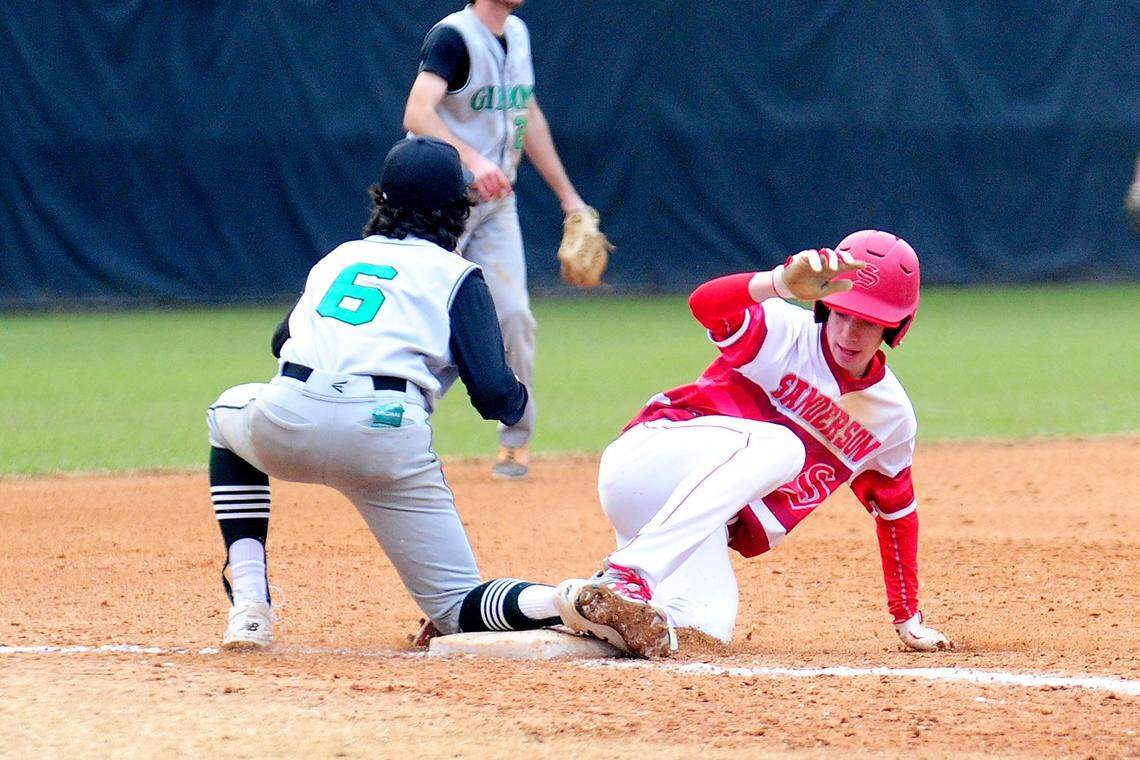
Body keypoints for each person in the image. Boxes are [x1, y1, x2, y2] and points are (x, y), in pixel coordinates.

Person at [205, 136, 564, 649]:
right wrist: (517, 400)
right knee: (457, 607)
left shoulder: (340, 257)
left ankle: (250, 608)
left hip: (288, 419)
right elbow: (493, 397)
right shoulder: (457, 275)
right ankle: (565, 599)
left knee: (225, 416)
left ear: (381, 202)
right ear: (458, 209)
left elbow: (280, 341)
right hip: (384, 434)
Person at [553, 231, 954, 658]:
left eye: (869, 322)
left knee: (699, 630)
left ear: (895, 326)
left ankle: (560, 605)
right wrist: (778, 284)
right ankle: (626, 573)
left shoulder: (890, 416)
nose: (850, 334)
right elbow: (703, 305)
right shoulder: (783, 330)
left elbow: (895, 512)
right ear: (824, 304)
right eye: (842, 314)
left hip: (689, 524)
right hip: (648, 461)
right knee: (785, 447)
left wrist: (907, 618)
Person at [403, 0, 595, 480]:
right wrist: (472, 159)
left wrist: (569, 197)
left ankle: (515, 440)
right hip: (433, 199)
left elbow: (526, 115)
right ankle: (393, 432)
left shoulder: (519, 34)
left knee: (512, 315)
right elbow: (417, 111)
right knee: (415, 319)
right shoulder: (453, 37)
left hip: (495, 202)